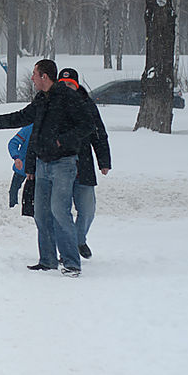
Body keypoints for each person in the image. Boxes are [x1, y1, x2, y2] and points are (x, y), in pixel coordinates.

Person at [0, 59, 94, 277]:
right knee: (41, 213)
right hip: (42, 164)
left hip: (64, 164)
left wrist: (61, 142)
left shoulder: (68, 98)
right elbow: (21, 116)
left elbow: (87, 126)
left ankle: (71, 263)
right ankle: (47, 260)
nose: (32, 79)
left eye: (35, 74)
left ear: (44, 77)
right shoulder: (42, 99)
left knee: (60, 211)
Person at [56, 68, 111, 259]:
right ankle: (69, 249)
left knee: (87, 209)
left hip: (83, 165)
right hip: (59, 164)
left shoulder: (87, 105)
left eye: (70, 84)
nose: (66, 88)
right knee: (61, 210)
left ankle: (79, 240)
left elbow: (99, 134)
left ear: (77, 86)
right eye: (62, 84)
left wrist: (104, 161)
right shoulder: (52, 104)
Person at [7, 124, 34, 208]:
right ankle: (13, 208)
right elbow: (13, 143)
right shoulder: (28, 129)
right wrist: (16, 157)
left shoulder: (50, 128)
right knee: (14, 190)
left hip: (40, 169)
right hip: (22, 166)